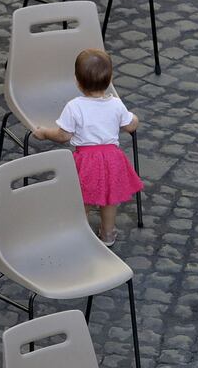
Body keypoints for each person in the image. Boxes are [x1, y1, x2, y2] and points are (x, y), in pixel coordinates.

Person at [32, 49, 143, 246]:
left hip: (87, 161)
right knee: (110, 198)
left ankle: (78, 230)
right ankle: (108, 233)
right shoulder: (116, 104)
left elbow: (63, 135)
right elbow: (130, 125)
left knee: (82, 198)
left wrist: (44, 132)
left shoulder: (74, 107)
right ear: (110, 80)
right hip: (112, 159)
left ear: (77, 81)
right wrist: (134, 117)